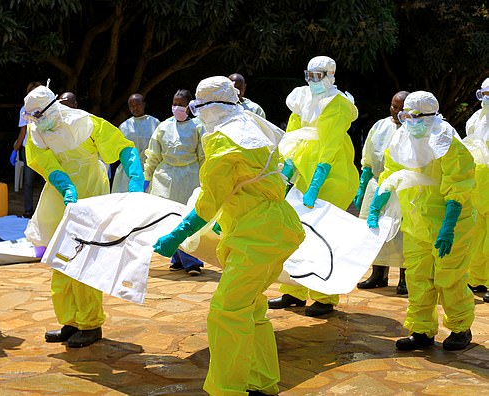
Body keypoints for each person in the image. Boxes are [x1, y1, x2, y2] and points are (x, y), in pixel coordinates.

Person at [154, 76, 305, 395]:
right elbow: (262, 178)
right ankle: (262, 381)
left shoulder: (223, 138)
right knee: (251, 307)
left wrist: (176, 236)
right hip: (275, 225)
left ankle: (227, 389)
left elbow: (210, 200)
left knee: (226, 311)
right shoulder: (252, 127)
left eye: (198, 107)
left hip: (257, 234)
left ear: (208, 107)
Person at [22, 85, 145, 348]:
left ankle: (90, 325)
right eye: (33, 118)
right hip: (60, 193)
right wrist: (64, 185)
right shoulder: (36, 130)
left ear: (53, 107)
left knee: (85, 262)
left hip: (92, 190)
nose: (37, 122)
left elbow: (123, 147)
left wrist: (135, 176)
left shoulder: (85, 122)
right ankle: (70, 321)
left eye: (40, 116)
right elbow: (43, 162)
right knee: (60, 258)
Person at [368, 91, 476, 351]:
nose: (409, 121)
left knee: (449, 278)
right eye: (406, 115)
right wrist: (376, 205)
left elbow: (458, 185)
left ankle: (461, 328)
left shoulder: (447, 141)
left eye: (415, 116)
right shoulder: (402, 138)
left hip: (450, 224)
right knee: (417, 277)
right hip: (416, 222)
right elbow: (391, 174)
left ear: (430, 116)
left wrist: (449, 226)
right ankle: (422, 330)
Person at [268, 55, 359, 317]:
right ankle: (293, 291)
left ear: (331, 76)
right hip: (303, 171)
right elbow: (293, 138)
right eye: (309, 75)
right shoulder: (300, 98)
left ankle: (324, 297)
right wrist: (287, 174)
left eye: (318, 76)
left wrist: (317, 184)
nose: (312, 81)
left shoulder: (338, 104)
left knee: (323, 236)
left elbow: (329, 147)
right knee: (295, 234)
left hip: (332, 176)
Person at [144, 89, 205, 275]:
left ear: (189, 106)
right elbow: (153, 155)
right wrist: (147, 178)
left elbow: (203, 155)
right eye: (175, 103)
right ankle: (178, 257)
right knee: (170, 217)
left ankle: (192, 260)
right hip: (166, 178)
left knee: (187, 217)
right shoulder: (163, 127)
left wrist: (205, 178)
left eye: (181, 104)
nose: (177, 107)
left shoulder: (197, 127)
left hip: (189, 177)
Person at [355, 91, 410, 295]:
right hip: (377, 184)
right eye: (394, 106)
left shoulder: (414, 129)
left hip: (403, 187)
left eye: (401, 108)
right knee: (374, 232)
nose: (396, 112)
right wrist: (362, 184)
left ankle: (405, 277)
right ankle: (378, 274)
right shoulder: (380, 126)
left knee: (403, 233)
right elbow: (368, 155)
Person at [463, 77, 489, 303]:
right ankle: (477, 277)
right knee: (477, 232)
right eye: (484, 95)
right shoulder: (476, 119)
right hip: (479, 182)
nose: (486, 100)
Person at [111, 93, 159, 193]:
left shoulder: (155, 123)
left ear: (144, 105)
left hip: (148, 168)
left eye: (137, 105)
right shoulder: (124, 126)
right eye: (132, 106)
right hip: (128, 171)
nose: (135, 108)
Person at [10, 81, 43, 218]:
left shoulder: (46, 108)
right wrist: (16, 149)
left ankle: (42, 212)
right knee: (30, 182)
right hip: (29, 148)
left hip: (43, 148)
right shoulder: (24, 109)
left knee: (44, 181)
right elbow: (23, 132)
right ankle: (29, 211)